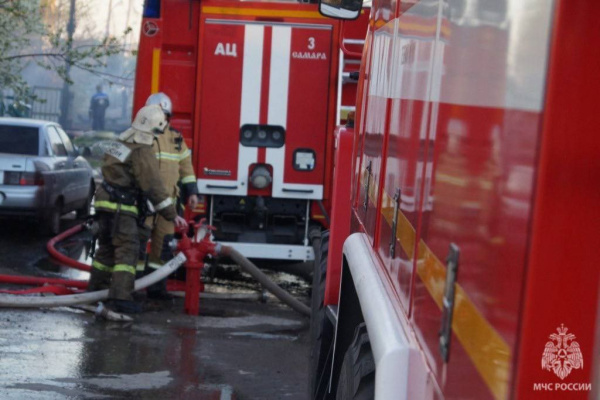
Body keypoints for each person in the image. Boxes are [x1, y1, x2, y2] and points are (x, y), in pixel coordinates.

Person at [88, 104, 188, 314]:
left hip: (104, 203)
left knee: (106, 250)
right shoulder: (141, 150)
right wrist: (172, 215)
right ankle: (120, 298)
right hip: (121, 206)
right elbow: (152, 185)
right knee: (128, 249)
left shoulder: (122, 141)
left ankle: (95, 292)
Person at [138, 92, 199, 299]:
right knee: (138, 247)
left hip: (168, 208)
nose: (161, 118)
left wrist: (192, 191)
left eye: (164, 114)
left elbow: (186, 167)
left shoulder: (176, 139)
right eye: (157, 113)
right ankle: (133, 288)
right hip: (144, 204)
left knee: (163, 248)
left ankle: (157, 289)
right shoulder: (141, 136)